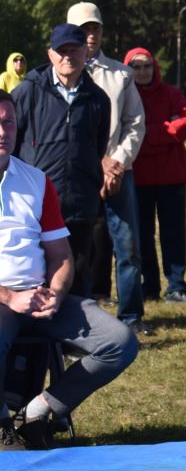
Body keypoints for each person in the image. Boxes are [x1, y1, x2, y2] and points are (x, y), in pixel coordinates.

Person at [0, 86, 137, 450]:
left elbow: (61, 254)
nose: (2, 133)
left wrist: (57, 293)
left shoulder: (35, 181)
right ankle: (2, 425)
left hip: (41, 296)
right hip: (4, 300)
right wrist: (10, 297)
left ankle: (40, 411)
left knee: (119, 342)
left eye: (8, 123)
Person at [14, 25, 114, 298]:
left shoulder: (98, 100)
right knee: (36, 274)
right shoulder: (28, 93)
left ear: (85, 53)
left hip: (81, 203)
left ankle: (75, 339)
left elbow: (98, 147)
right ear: (50, 54)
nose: (68, 56)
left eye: (74, 50)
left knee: (78, 274)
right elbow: (11, 141)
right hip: (35, 203)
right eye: (62, 51)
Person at [66, 3, 145, 335]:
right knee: (77, 250)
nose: (90, 35)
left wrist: (118, 162)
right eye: (84, 29)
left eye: (95, 28)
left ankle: (131, 317)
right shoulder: (60, 77)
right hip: (80, 175)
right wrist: (98, 161)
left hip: (118, 173)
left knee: (128, 248)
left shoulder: (121, 75)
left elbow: (135, 124)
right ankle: (78, 318)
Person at [125, 47, 186, 304]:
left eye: (147, 66)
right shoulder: (125, 97)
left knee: (174, 234)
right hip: (139, 178)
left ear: (154, 68)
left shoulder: (172, 94)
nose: (142, 71)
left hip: (172, 177)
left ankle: (176, 286)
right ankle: (149, 286)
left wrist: (145, 134)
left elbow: (183, 125)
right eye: (136, 66)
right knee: (142, 235)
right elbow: (126, 134)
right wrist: (165, 129)